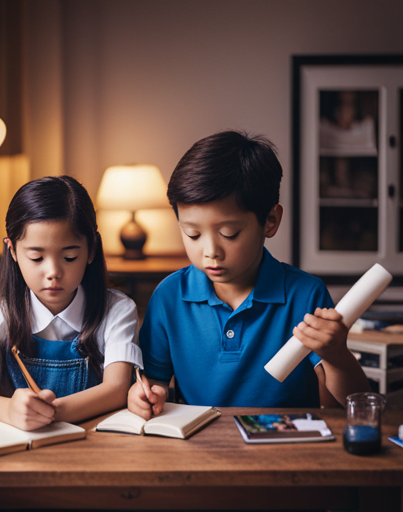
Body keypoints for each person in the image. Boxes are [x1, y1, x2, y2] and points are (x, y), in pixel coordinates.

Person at [128, 130, 369, 420]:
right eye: (192, 234)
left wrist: (338, 356)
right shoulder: (169, 296)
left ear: (270, 221)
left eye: (229, 233)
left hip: (285, 447)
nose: (210, 251)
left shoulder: (305, 295)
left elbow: (344, 405)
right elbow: (153, 381)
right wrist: (145, 395)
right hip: (200, 446)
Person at [0, 175, 142, 430]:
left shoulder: (116, 310)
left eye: (69, 257)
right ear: (13, 251)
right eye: (37, 257)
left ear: (92, 250)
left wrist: (47, 413)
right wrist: (11, 411)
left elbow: (116, 389)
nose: (53, 272)